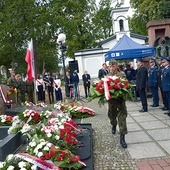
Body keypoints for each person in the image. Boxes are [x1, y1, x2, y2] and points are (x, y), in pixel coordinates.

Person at [107, 59, 128, 148]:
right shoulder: (107, 76)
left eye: (113, 66)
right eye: (110, 66)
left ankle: (122, 138)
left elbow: (126, 86)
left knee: (122, 118)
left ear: (116, 66)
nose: (112, 68)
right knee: (111, 115)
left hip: (120, 101)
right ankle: (114, 124)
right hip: (111, 101)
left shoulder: (121, 75)